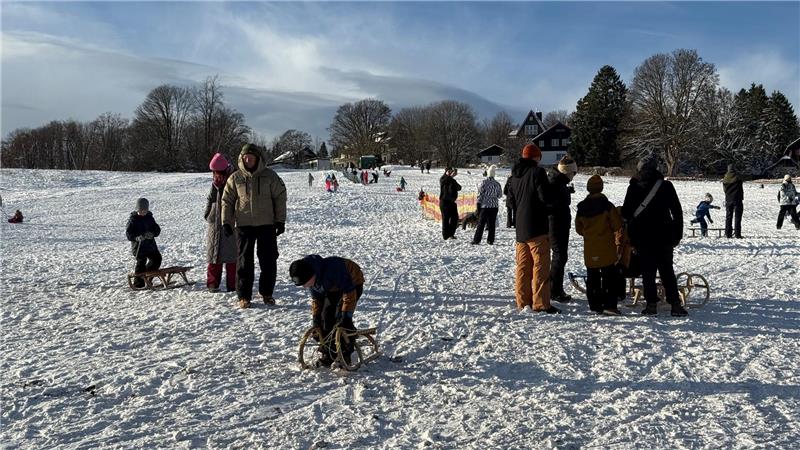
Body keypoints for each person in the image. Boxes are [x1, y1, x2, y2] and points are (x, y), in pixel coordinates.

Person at [222, 143, 287, 309]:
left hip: (266, 224)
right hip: (244, 225)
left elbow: (280, 197)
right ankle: (244, 295)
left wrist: (280, 221)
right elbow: (227, 201)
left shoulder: (270, 176)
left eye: (250, 157)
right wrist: (226, 222)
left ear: (257, 158)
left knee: (268, 260)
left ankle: (266, 293)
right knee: (244, 261)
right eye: (245, 157)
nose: (247, 159)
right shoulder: (235, 178)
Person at [621, 155, 687, 317]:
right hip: (664, 235)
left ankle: (651, 304)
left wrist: (631, 235)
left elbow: (627, 213)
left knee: (648, 272)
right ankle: (675, 304)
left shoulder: (634, 186)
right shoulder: (666, 186)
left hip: (642, 236)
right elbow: (677, 211)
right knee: (667, 271)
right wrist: (677, 234)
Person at [508, 144, 560, 314]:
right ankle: (541, 303)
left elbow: (510, 203)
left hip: (520, 230)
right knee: (541, 267)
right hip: (537, 227)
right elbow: (546, 198)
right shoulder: (537, 173)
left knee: (522, 268)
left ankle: (522, 302)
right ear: (536, 158)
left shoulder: (513, 176)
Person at [289, 255, 365, 367]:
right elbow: (317, 301)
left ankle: (346, 353)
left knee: (341, 318)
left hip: (352, 283)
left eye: (305, 283)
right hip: (332, 288)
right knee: (326, 317)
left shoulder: (333, 269)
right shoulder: (313, 280)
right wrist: (316, 319)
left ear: (312, 275)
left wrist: (346, 316)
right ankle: (329, 352)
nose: (305, 287)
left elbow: (349, 293)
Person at [575, 175, 624, 315]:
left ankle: (595, 305)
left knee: (593, 277)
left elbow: (579, 229)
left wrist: (589, 234)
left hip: (590, 248)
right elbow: (617, 225)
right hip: (607, 248)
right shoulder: (607, 206)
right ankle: (610, 305)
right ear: (601, 188)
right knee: (609, 278)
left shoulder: (582, 207)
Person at [205, 153, 238, 292]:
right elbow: (210, 199)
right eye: (214, 174)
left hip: (230, 223)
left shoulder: (235, 180)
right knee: (214, 255)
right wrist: (209, 214)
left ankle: (233, 285)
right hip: (215, 223)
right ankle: (213, 283)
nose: (216, 177)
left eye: (218, 174)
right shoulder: (215, 183)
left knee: (232, 257)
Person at [548, 155, 577, 302]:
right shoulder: (555, 183)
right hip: (556, 224)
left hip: (559, 223)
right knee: (560, 256)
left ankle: (554, 288)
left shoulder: (559, 181)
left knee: (560, 256)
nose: (574, 176)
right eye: (574, 173)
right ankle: (555, 290)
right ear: (567, 172)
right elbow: (552, 204)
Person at [126, 198, 162, 288]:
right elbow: (129, 235)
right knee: (141, 263)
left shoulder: (150, 218)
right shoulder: (133, 220)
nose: (143, 212)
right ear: (137, 209)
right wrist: (137, 237)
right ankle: (138, 284)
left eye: (145, 210)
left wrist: (152, 233)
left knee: (157, 259)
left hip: (150, 246)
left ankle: (148, 277)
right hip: (139, 247)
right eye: (141, 210)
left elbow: (157, 229)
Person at [472, 165, 502, 245]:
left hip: (485, 206)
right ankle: (490, 240)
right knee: (492, 224)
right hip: (494, 206)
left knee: (481, 224)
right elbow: (500, 195)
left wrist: (478, 204)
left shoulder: (484, 183)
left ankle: (477, 240)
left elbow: (480, 194)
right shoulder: (497, 184)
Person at [722, 164, 744, 238]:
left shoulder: (725, 179)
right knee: (737, 217)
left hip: (728, 199)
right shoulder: (737, 177)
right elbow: (741, 188)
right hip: (737, 199)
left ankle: (728, 233)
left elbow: (724, 190)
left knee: (728, 217)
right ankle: (737, 234)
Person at [439, 167, 462, 240]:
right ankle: (445, 236)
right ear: (445, 172)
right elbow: (443, 182)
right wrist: (450, 177)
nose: (449, 172)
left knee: (455, 219)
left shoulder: (452, 180)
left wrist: (452, 179)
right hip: (444, 202)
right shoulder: (443, 178)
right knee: (445, 220)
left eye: (451, 171)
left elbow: (459, 188)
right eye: (448, 171)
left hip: (452, 203)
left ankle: (451, 234)